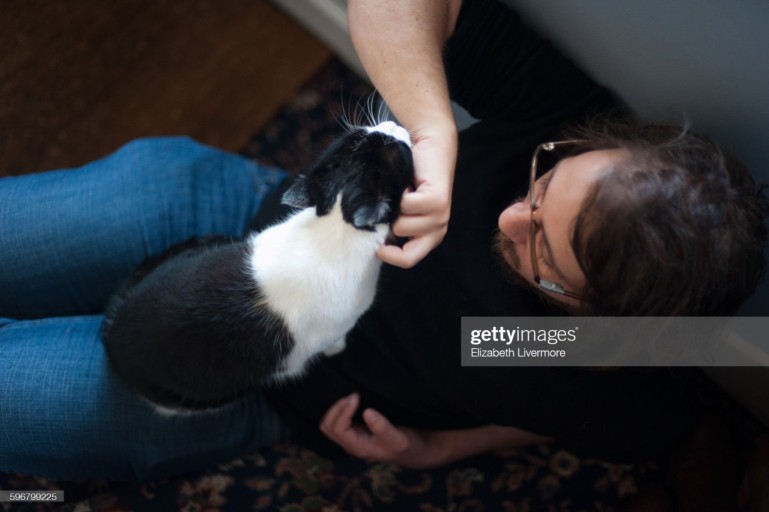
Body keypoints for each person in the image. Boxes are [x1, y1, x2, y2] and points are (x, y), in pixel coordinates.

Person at [0, 0, 765, 493]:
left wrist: (439, 448)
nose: (508, 219)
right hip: (249, 219)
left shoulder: (557, 355)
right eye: (540, 187)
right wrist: (432, 129)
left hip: (266, 380)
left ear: (589, 317)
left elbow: (602, 421)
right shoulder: (566, 122)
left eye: (542, 255)